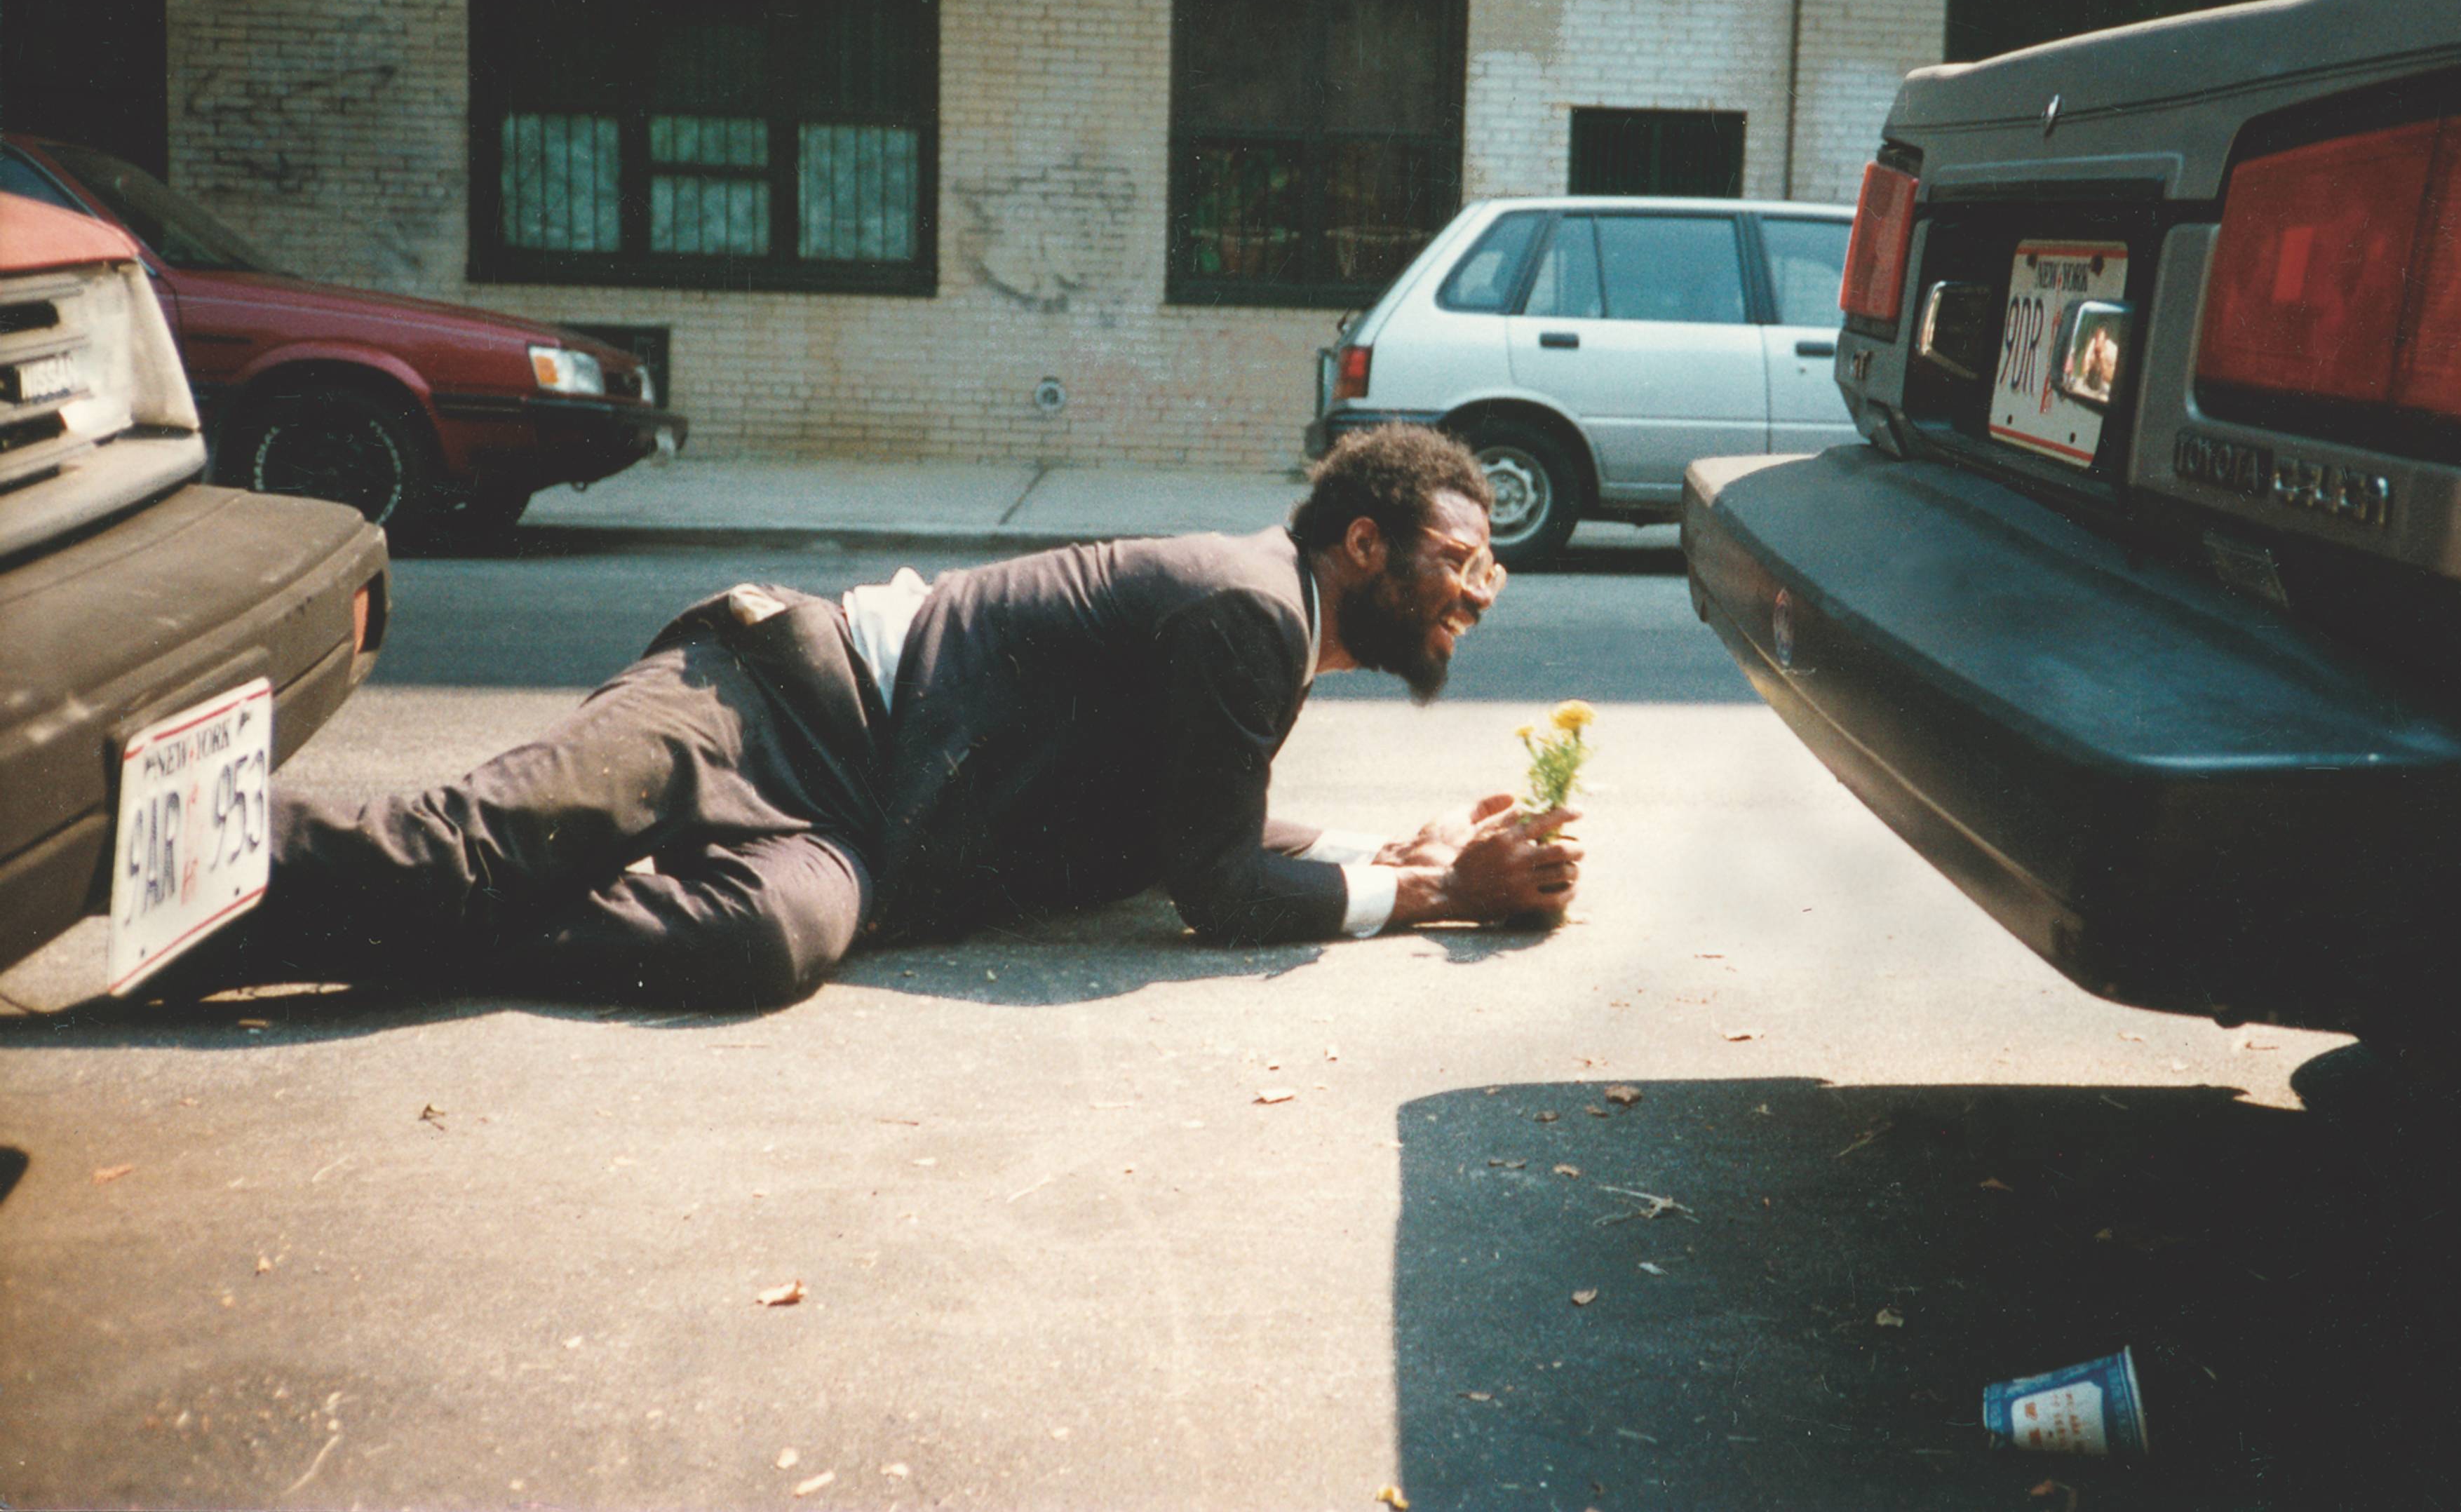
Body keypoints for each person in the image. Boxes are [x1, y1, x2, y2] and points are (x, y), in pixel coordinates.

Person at [142, 425, 1582, 1009]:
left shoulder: (1274, 622)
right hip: (769, 701)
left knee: (774, 942)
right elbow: (1212, 883)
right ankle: (136, 836)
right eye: (1462, 559)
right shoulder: (1252, 606)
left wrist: (1397, 852)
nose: (1486, 589)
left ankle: (304, 919)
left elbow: (1185, 819)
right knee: (481, 845)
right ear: (1364, 548)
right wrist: (1434, 898)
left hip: (857, 827)